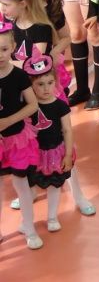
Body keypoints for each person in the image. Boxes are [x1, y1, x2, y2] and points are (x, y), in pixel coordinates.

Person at [23, 47, 95, 233]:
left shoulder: (60, 106)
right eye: (40, 84)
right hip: (35, 154)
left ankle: (52, 216)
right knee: (29, 184)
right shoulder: (29, 107)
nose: (46, 88)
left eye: (50, 83)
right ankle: (27, 220)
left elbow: (67, 130)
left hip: (55, 152)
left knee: (54, 185)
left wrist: (68, 154)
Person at [0, 14, 41, 249]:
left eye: (4, 49)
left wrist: (8, 121)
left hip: (17, 138)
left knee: (21, 184)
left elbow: (32, 105)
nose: (0, 55)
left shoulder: (19, 75)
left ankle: (29, 226)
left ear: (13, 47)